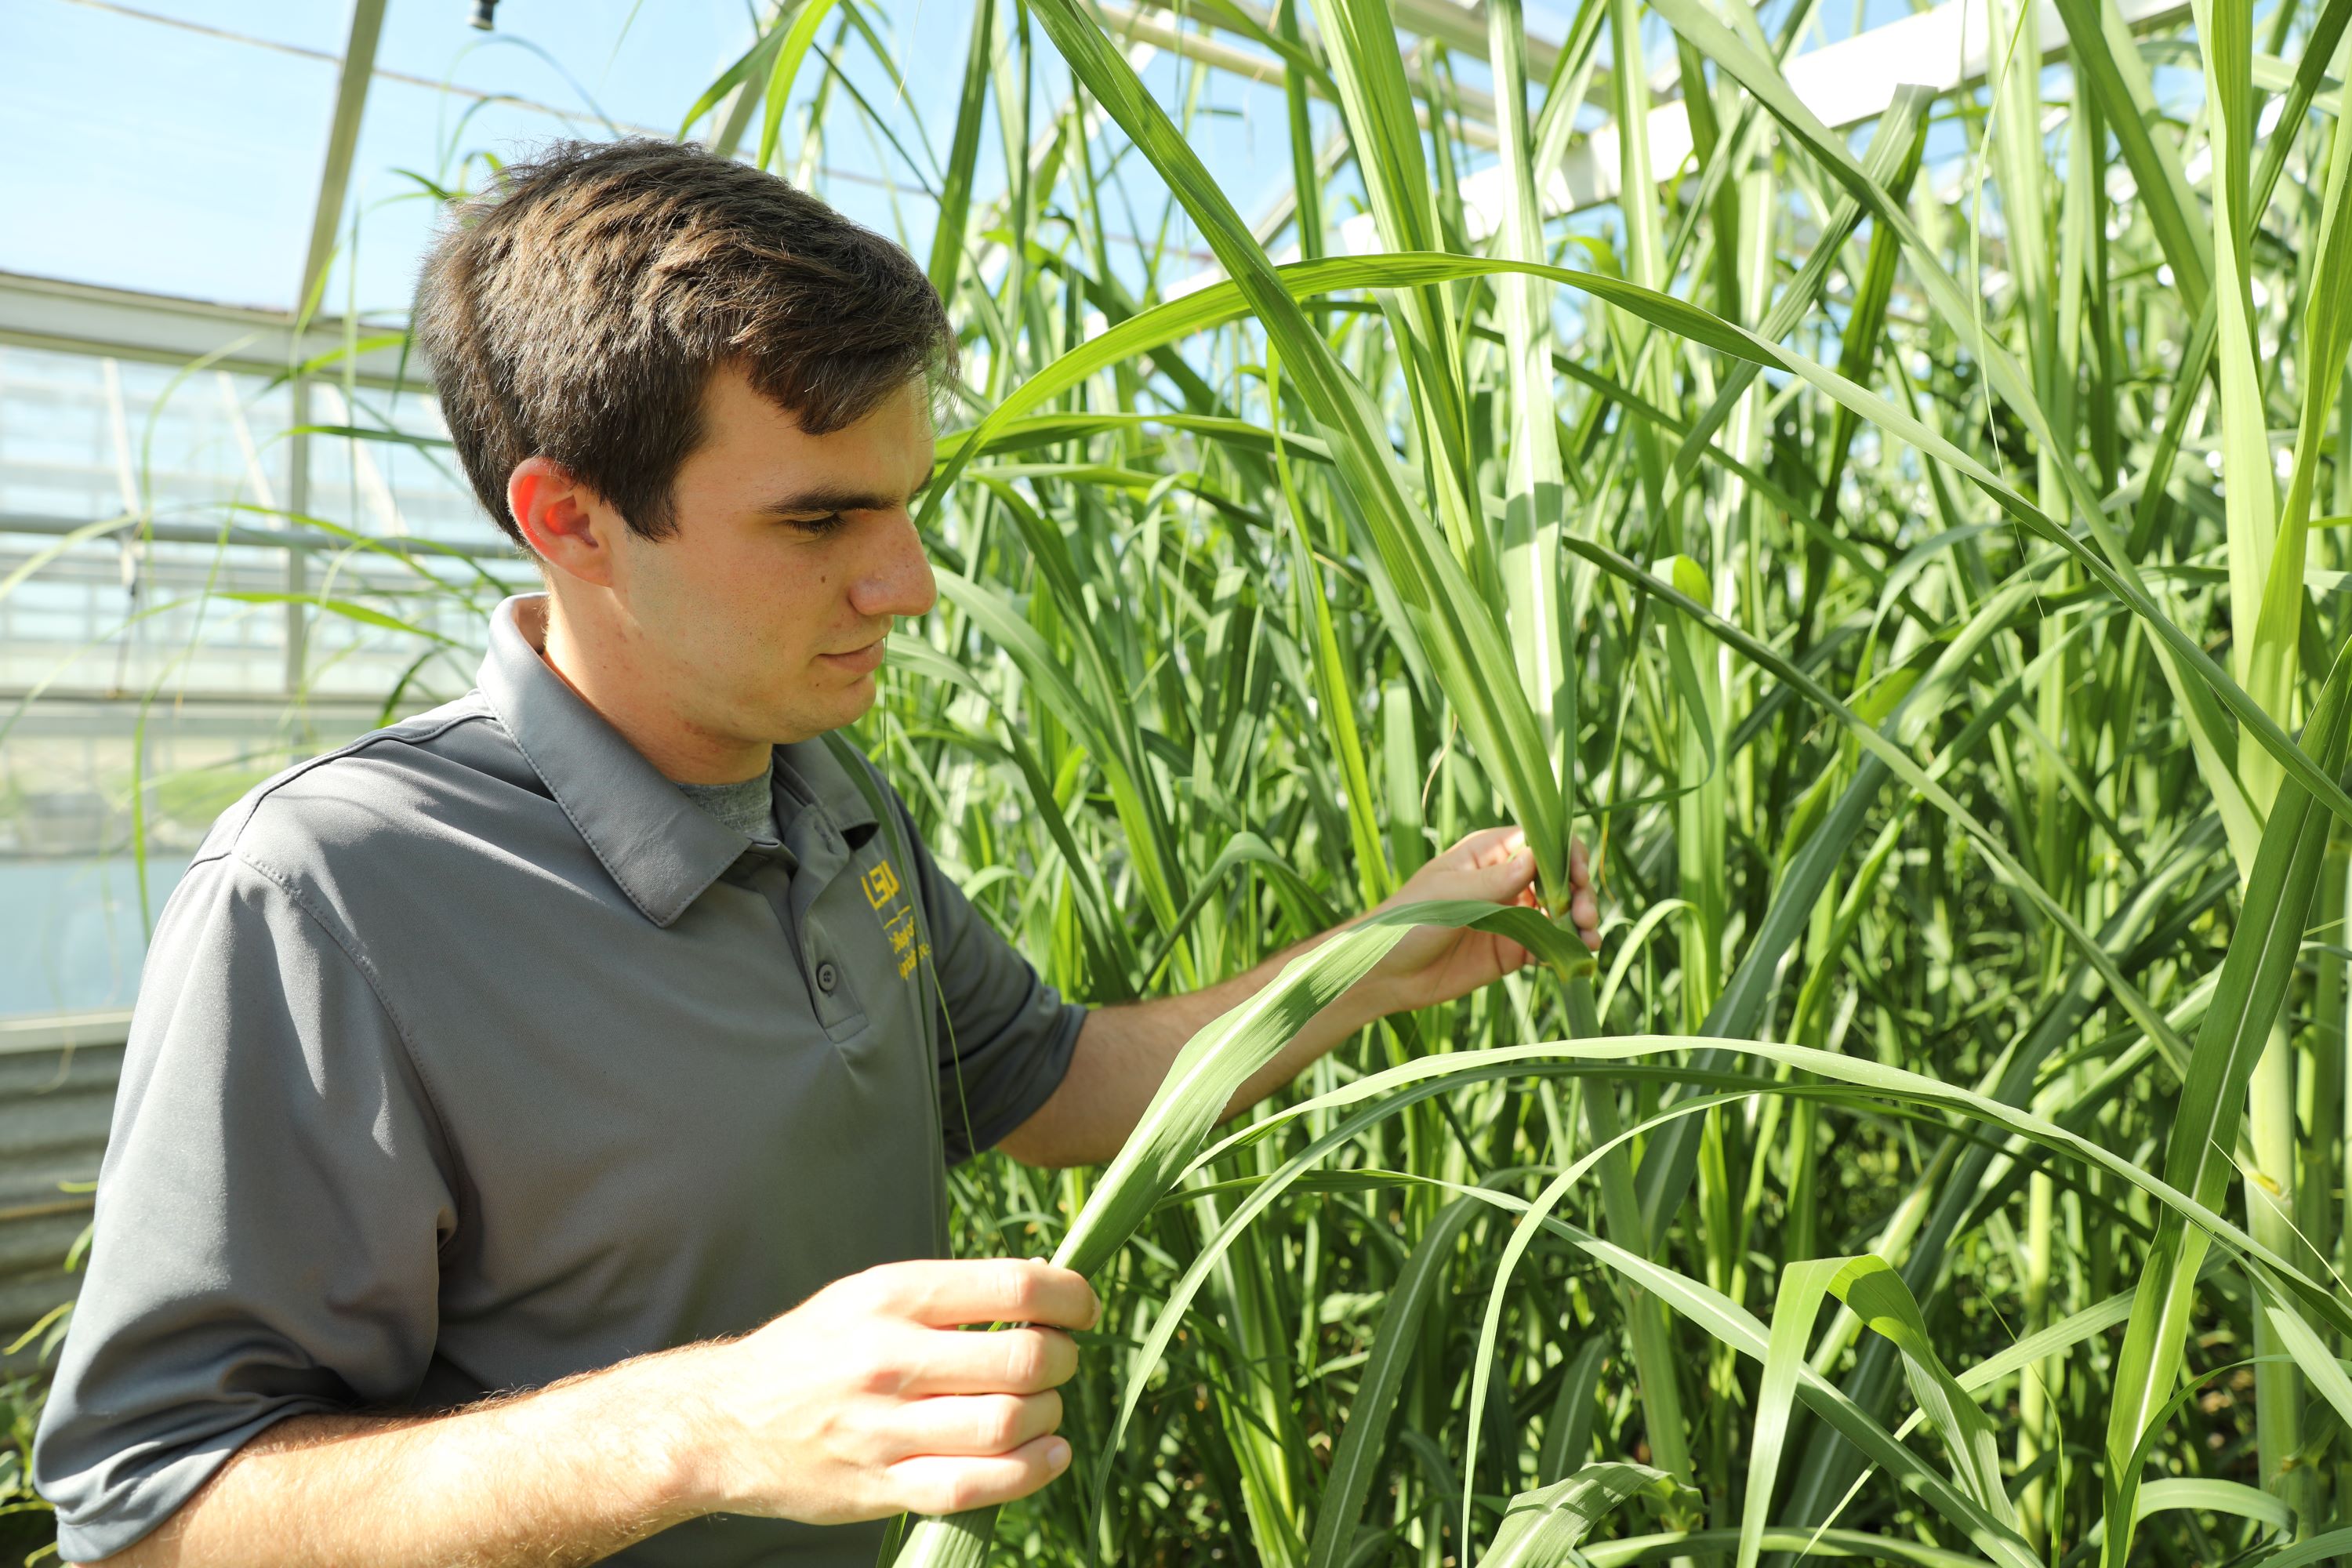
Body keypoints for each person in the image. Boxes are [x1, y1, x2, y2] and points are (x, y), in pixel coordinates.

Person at [32, 139, 1602, 1568]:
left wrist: (1375, 955)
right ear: (570, 520)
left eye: (906, 509)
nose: (907, 588)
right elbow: (160, 1512)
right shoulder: (334, 896)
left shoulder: (826, 796)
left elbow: (1054, 1081)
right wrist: (709, 1428)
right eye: (818, 525)